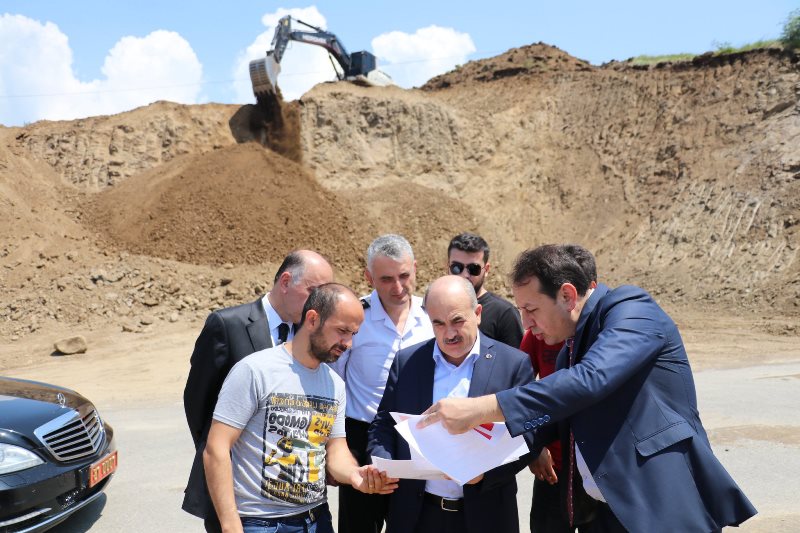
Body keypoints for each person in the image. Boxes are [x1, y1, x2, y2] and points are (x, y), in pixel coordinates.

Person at [420, 245, 757, 533]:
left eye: (531, 310)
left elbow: (590, 379)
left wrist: (481, 408)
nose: (526, 324)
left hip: (659, 504)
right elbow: (546, 424)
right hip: (602, 513)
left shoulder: (632, 310)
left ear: (567, 295)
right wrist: (483, 466)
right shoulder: (570, 347)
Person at [204, 283, 398, 533]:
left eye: (353, 333)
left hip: (316, 520)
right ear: (313, 319)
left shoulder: (334, 384)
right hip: (260, 523)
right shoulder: (255, 370)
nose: (348, 343)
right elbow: (216, 449)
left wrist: (354, 475)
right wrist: (230, 525)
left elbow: (335, 449)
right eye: (342, 331)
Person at [368, 275, 534, 533]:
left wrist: (483, 475)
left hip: (486, 516)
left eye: (457, 321)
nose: (449, 333)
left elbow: (529, 437)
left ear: (477, 313)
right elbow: (384, 424)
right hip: (417, 517)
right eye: (438, 323)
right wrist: (384, 462)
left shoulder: (513, 364)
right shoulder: (407, 362)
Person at [183, 250, 334, 532]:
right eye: (313, 292)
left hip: (295, 493)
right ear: (286, 282)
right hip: (238, 495)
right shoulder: (228, 325)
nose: (319, 304)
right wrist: (221, 455)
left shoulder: (312, 334)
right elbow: (198, 402)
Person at [330, 234, 434, 533]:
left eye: (404, 276)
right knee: (360, 525)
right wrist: (334, 451)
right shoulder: (355, 318)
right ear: (369, 277)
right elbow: (333, 382)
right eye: (386, 279)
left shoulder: (431, 317)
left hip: (417, 439)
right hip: (362, 439)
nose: (398, 287)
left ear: (415, 268)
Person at [522, 244, 597, 533]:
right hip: (553, 467)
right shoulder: (539, 333)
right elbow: (521, 389)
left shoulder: (606, 335)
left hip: (598, 466)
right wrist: (535, 448)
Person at [447, 232, 522, 347]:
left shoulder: (504, 314)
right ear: (447, 266)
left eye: (473, 269)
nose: (465, 275)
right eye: (457, 267)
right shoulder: (434, 307)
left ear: (486, 270)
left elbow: (516, 357)